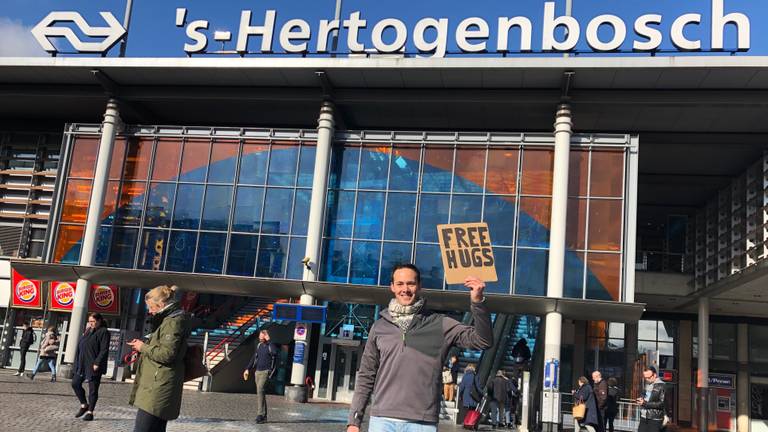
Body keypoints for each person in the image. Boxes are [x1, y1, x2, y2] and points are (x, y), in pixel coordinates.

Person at [346, 264, 492, 432]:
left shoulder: (440, 324)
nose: (405, 289)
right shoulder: (379, 327)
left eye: (411, 283)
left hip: (422, 423)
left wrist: (478, 302)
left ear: (419, 286)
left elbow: (483, 341)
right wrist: (354, 421)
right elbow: (366, 375)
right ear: (392, 287)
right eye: (400, 284)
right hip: (382, 420)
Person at [128, 285, 189, 432]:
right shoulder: (168, 319)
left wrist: (143, 347)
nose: (149, 311)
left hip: (158, 387)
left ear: (161, 304)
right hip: (157, 383)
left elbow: (167, 354)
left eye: (151, 307)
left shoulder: (172, 321)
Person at [71, 313, 110, 422]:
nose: (91, 323)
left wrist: (97, 362)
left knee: (93, 389)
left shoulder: (104, 332)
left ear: (99, 321)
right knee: (75, 383)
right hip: (82, 363)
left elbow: (104, 349)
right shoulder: (88, 330)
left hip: (94, 365)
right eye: (90, 321)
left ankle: (90, 412)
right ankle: (84, 405)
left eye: (93, 321)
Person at [243, 329, 278, 424]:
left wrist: (269, 341)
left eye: (262, 338)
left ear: (266, 337)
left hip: (266, 372)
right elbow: (254, 357)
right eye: (260, 337)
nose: (260, 339)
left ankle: (260, 414)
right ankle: (264, 416)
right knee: (260, 393)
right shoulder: (259, 346)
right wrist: (247, 368)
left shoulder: (270, 345)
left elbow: (275, 353)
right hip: (257, 372)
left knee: (260, 389)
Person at [636, 366, 666, 432]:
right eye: (645, 377)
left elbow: (662, 403)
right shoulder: (647, 384)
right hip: (644, 416)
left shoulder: (662, 386)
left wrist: (645, 403)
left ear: (654, 375)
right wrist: (640, 399)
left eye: (648, 377)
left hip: (655, 418)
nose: (647, 379)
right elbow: (644, 395)